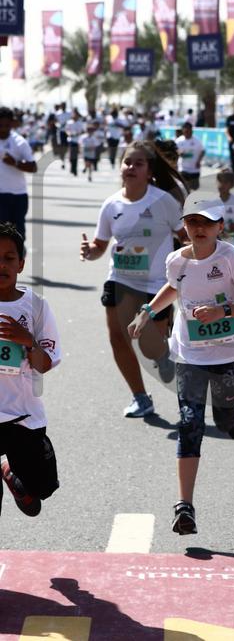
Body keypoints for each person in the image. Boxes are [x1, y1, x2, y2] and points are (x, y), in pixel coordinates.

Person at [127, 196, 234, 535]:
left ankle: (233, 415)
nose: (199, 228)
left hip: (228, 355)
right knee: (190, 423)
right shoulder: (176, 260)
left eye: (206, 222)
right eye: (192, 221)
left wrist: (224, 311)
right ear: (184, 226)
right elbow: (173, 287)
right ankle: (184, 506)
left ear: (220, 226)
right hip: (189, 355)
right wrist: (148, 312)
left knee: (225, 420)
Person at [80, 141, 187, 418]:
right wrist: (90, 251)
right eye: (127, 162)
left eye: (138, 163)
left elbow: (184, 236)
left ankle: (162, 354)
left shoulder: (164, 202)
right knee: (118, 338)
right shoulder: (111, 204)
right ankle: (140, 397)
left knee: (150, 348)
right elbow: (100, 245)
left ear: (149, 171)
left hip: (156, 284)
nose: (131, 167)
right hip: (120, 279)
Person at [0, 223, 61, 517]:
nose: (1, 265)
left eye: (9, 258)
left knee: (39, 490)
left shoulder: (35, 306)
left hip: (22, 417)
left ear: (21, 264)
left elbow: (44, 364)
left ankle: (10, 470)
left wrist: (27, 341)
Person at [0, 107, 37, 241]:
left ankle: (19, 253)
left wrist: (15, 163)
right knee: (2, 235)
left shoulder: (20, 142)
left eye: (6, 125)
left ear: (12, 123)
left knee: (17, 235)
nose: (3, 129)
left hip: (18, 195)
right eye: (0, 125)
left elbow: (33, 167)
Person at [175, 122, 205, 191]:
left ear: (192, 130)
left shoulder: (197, 140)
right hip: (183, 168)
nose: (188, 132)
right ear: (183, 131)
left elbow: (202, 151)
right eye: (186, 131)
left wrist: (199, 161)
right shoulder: (179, 140)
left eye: (189, 130)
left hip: (194, 169)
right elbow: (174, 150)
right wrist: (179, 152)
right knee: (185, 188)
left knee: (194, 188)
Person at [65, 109, 84, 177]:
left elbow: (82, 131)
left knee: (75, 156)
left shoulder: (80, 123)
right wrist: (69, 134)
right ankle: (72, 167)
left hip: (77, 141)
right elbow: (67, 130)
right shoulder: (69, 122)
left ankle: (74, 169)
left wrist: (78, 133)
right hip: (71, 140)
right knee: (71, 155)